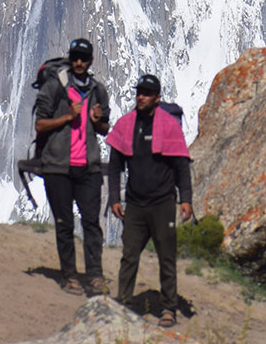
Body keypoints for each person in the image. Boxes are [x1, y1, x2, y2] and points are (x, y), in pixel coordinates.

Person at [106, 73, 193, 328]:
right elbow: (114, 165)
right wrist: (114, 197)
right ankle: (123, 302)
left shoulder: (169, 125)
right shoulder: (125, 124)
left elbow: (181, 165)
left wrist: (185, 199)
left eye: (146, 93)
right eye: (138, 92)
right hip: (135, 204)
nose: (140, 97)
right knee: (129, 255)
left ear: (157, 98)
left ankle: (168, 308)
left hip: (163, 203)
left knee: (167, 257)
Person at [32, 37, 111, 296]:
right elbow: (40, 124)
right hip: (58, 166)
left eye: (83, 58)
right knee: (64, 223)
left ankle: (95, 274)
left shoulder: (98, 91)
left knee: (91, 223)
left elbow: (104, 128)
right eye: (75, 57)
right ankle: (69, 275)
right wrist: (69, 116)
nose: (79, 62)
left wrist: (97, 121)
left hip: (88, 167)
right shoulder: (55, 87)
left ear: (90, 61)